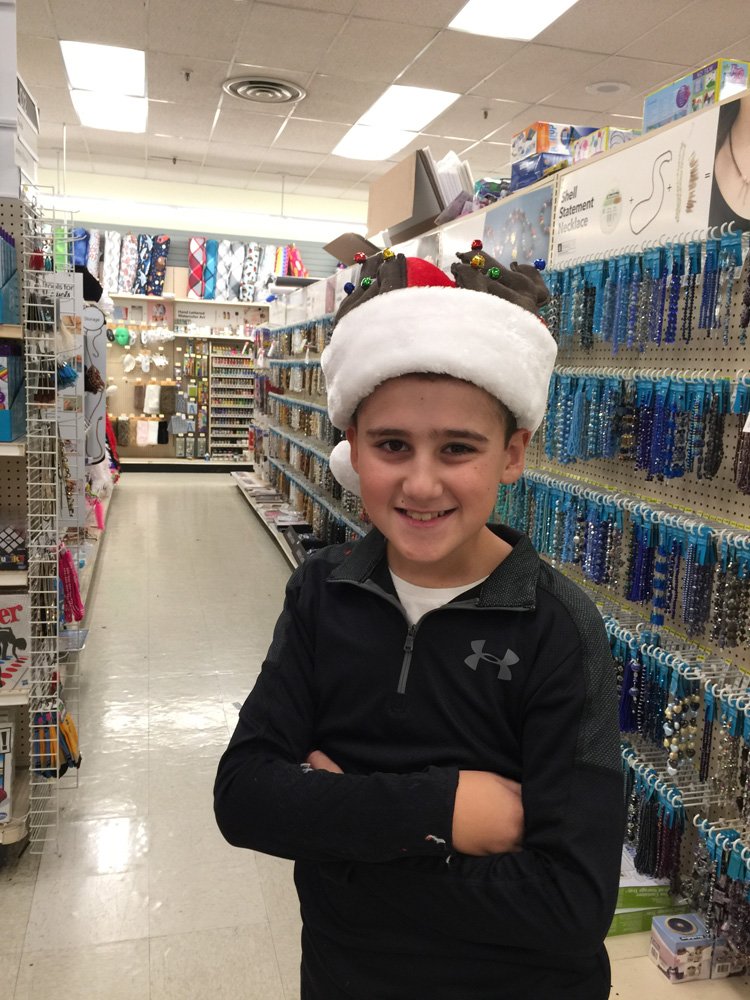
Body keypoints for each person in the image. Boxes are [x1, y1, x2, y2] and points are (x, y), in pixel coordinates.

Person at [214, 246, 624, 1000]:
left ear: (512, 454)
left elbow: (571, 905)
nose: (422, 483)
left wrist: (339, 844)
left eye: (458, 448)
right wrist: (444, 811)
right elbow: (243, 798)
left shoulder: (558, 629)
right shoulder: (323, 593)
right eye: (392, 445)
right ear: (353, 446)